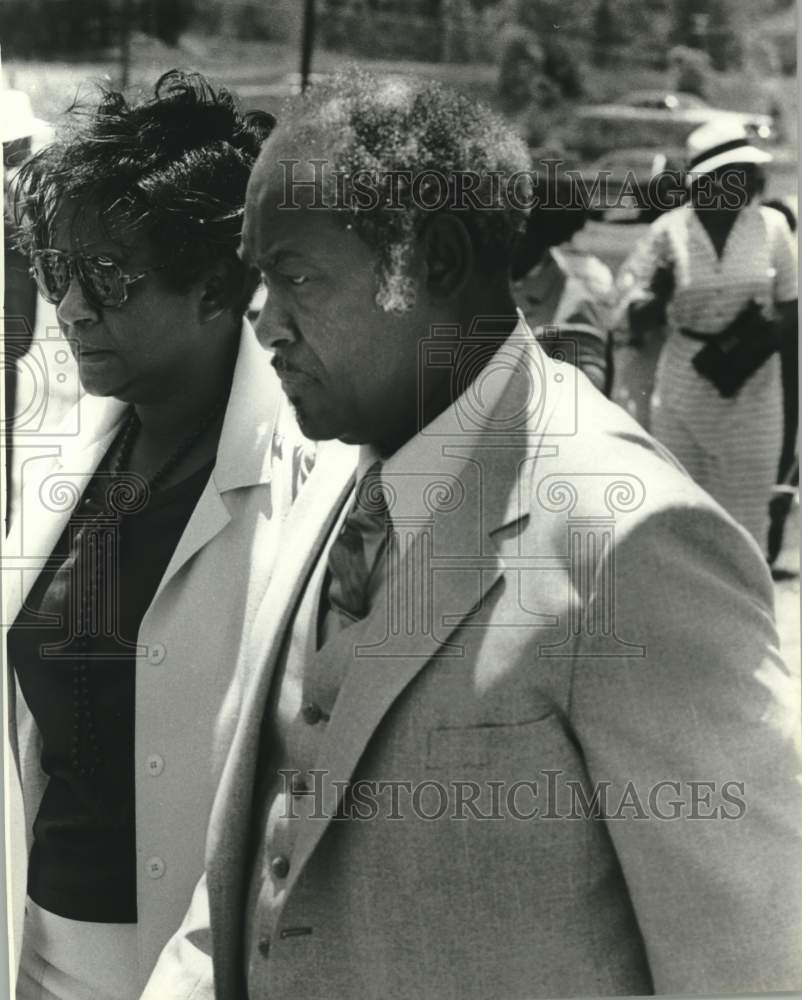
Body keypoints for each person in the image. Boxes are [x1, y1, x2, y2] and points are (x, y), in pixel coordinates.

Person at [144, 71, 801, 1000]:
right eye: (257, 278)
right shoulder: (337, 467)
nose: (264, 320)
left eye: (294, 275)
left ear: (436, 261)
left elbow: (751, 966)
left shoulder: (634, 545)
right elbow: (246, 897)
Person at [4, 70, 310, 1000]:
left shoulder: (309, 481)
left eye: (107, 275)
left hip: (193, 971)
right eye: (58, 271)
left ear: (218, 287)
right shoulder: (62, 445)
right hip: (30, 947)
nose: (71, 307)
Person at [621, 118, 798, 549]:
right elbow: (631, 321)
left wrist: (790, 442)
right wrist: (658, 296)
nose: (738, 183)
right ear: (703, 181)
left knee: (745, 539)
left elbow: (792, 334)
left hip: (755, 399)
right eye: (727, 175)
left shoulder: (771, 228)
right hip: (684, 393)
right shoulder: (669, 231)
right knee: (685, 532)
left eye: (744, 173)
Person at [511, 172, 615, 396]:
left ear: (538, 233)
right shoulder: (491, 285)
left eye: (514, 225)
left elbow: (585, 398)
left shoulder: (576, 304)